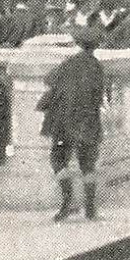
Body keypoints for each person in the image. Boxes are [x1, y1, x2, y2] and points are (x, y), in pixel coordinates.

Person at [41, 25, 106, 221]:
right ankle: (90, 208)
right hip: (88, 121)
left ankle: (68, 200)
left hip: (64, 122)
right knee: (88, 165)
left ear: (78, 44)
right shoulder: (97, 67)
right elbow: (99, 94)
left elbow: (49, 79)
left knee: (58, 160)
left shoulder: (69, 63)